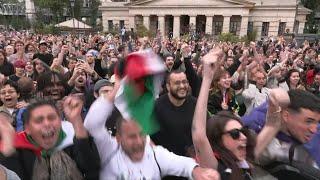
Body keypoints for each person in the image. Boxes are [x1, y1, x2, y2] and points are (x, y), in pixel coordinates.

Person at [84, 77, 220, 180]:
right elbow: (92, 123)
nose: (138, 141)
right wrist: (114, 91)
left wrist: (197, 171)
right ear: (118, 138)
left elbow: (180, 164)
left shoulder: (153, 154)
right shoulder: (108, 149)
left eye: (141, 134)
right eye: (131, 136)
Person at [192, 47, 289, 180]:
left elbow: (272, 125)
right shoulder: (216, 169)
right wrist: (207, 78)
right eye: (235, 134)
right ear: (219, 139)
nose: (243, 137)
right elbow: (199, 135)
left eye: (242, 131)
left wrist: (274, 104)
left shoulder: (246, 157)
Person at [0, 96, 101, 180]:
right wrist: (8, 147)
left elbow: (91, 169)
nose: (47, 124)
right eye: (39, 120)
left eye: (52, 118)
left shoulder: (70, 139)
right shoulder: (19, 151)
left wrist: (76, 120)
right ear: (28, 128)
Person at [152, 70, 196, 157]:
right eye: (177, 83)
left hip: (191, 162)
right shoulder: (156, 107)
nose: (182, 86)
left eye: (184, 82)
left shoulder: (195, 104)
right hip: (166, 162)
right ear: (168, 86)